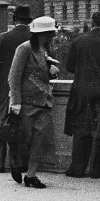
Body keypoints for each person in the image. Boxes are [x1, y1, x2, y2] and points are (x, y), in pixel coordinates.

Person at [7, 16, 60, 188]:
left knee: (40, 138)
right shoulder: (25, 49)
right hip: (26, 103)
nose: (52, 36)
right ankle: (16, 165)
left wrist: (52, 72)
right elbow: (13, 76)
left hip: (44, 101)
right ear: (42, 34)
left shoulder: (45, 49)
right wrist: (16, 102)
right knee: (24, 138)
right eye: (50, 33)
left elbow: (43, 74)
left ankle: (31, 175)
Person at [63, 11, 100, 178]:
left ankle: (77, 167)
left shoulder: (79, 40)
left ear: (92, 23)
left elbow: (70, 66)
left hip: (81, 91)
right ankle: (97, 168)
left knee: (81, 129)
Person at [0, 5, 33, 171]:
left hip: (4, 88)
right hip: (27, 89)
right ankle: (19, 164)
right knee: (22, 128)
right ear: (29, 21)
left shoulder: (4, 38)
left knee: (1, 124)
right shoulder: (34, 39)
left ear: (14, 19)